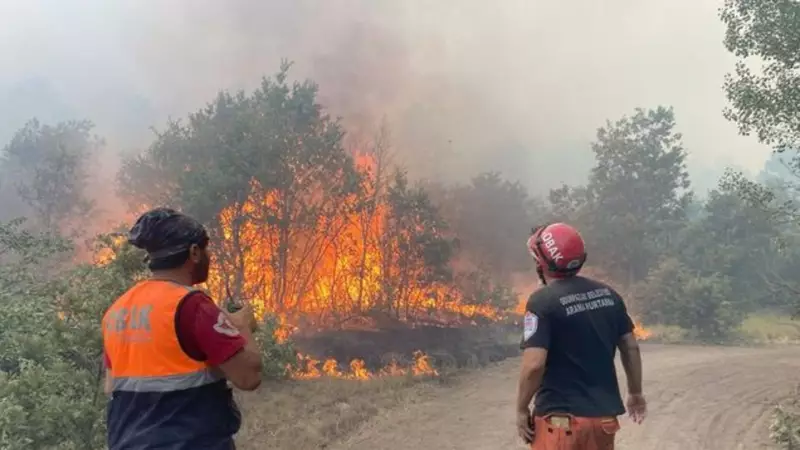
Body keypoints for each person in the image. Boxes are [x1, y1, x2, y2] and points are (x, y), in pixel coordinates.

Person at [102, 207, 263, 450]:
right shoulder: (193, 306)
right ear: (194, 252)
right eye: (206, 249)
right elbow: (248, 377)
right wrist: (241, 326)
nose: (209, 256)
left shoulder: (117, 310)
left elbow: (111, 386)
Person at [515, 222, 646, 450]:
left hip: (560, 425)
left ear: (541, 262)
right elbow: (630, 346)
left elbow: (534, 364)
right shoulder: (609, 295)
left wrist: (521, 408)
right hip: (604, 422)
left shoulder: (542, 302)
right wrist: (635, 392)